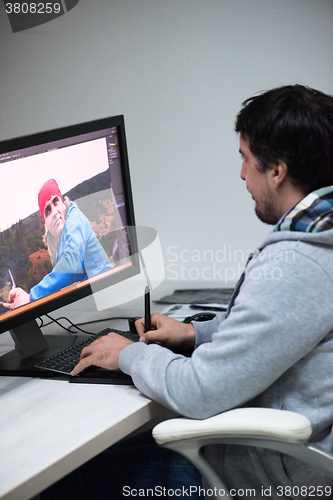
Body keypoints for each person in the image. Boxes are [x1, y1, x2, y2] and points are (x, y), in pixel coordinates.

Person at [43, 85, 333, 499]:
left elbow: (199, 392)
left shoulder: (299, 263)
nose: (240, 174)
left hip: (271, 477)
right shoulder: (322, 236)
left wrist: (127, 354)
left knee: (65, 484)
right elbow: (286, 327)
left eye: (245, 159)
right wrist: (195, 334)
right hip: (295, 457)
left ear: (277, 171)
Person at [6, 179, 113, 309]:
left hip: (110, 294)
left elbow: (71, 263)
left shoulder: (74, 218)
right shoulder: (59, 245)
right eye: (48, 210)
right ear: (45, 224)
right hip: (95, 301)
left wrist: (31, 297)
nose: (55, 212)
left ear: (63, 204)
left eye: (56, 202)